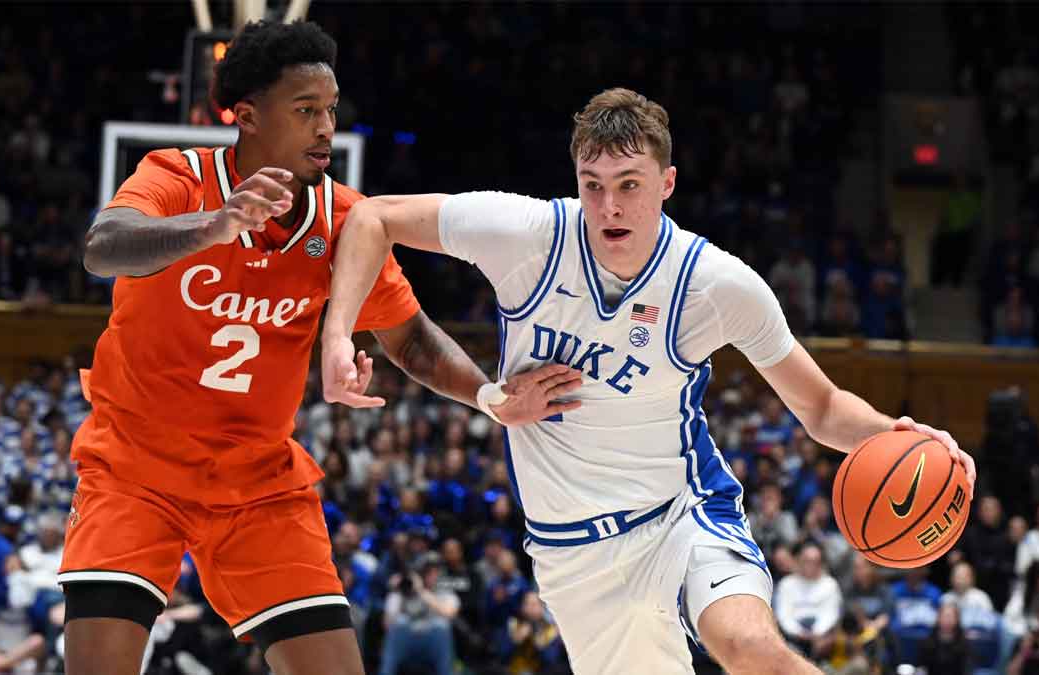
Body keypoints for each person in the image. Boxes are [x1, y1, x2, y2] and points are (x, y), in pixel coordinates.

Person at [320, 87, 977, 674]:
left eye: (628, 184)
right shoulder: (527, 235)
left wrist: (900, 432)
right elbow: (371, 217)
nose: (608, 204)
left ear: (666, 183)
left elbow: (823, 406)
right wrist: (337, 335)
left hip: (680, 515)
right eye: (593, 183)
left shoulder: (715, 284)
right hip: (573, 557)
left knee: (753, 651)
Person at [61, 20, 567, 675]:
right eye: (305, 111)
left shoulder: (345, 219)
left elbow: (408, 336)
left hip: (258, 483)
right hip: (134, 469)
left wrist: (490, 396)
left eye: (329, 109)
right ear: (246, 116)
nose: (325, 126)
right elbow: (105, 246)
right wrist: (213, 226)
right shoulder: (177, 177)